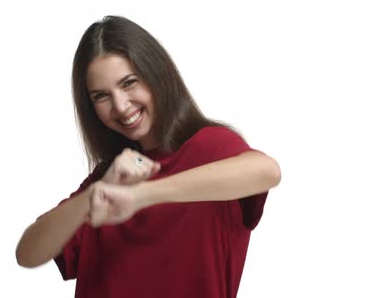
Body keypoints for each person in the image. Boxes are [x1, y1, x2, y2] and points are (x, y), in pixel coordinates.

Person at [16, 16, 281, 298]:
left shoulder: (209, 148)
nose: (120, 105)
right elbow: (28, 253)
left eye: (129, 83)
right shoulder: (110, 178)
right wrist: (90, 197)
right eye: (101, 96)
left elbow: (267, 171)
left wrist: (143, 195)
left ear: (157, 74)